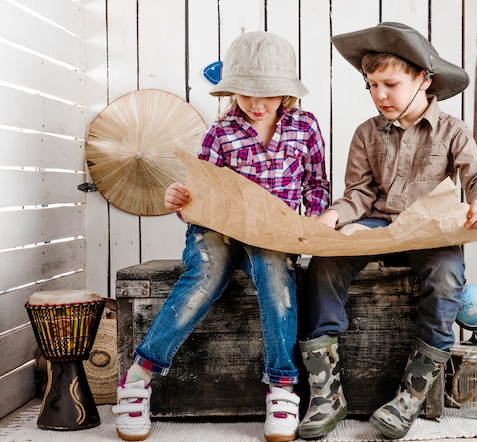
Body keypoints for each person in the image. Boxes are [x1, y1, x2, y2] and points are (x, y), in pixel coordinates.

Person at [112, 31, 330, 442]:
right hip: (218, 227)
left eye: (269, 93)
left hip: (274, 230)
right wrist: (180, 198)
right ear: (232, 90)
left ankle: (282, 387)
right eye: (247, 93)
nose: (258, 103)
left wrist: (314, 222)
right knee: (207, 272)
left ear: (287, 92)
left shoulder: (305, 127)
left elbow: (316, 185)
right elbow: (199, 195)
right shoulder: (221, 132)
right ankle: (139, 376)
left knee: (276, 273)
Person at [297, 22, 477, 440]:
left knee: (447, 276)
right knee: (325, 263)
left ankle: (411, 394)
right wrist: (333, 218)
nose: (380, 96)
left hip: (428, 231)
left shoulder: (453, 131)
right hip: (377, 224)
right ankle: (325, 392)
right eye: (371, 86)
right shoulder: (367, 133)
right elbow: (359, 193)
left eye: (389, 84)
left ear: (424, 80)